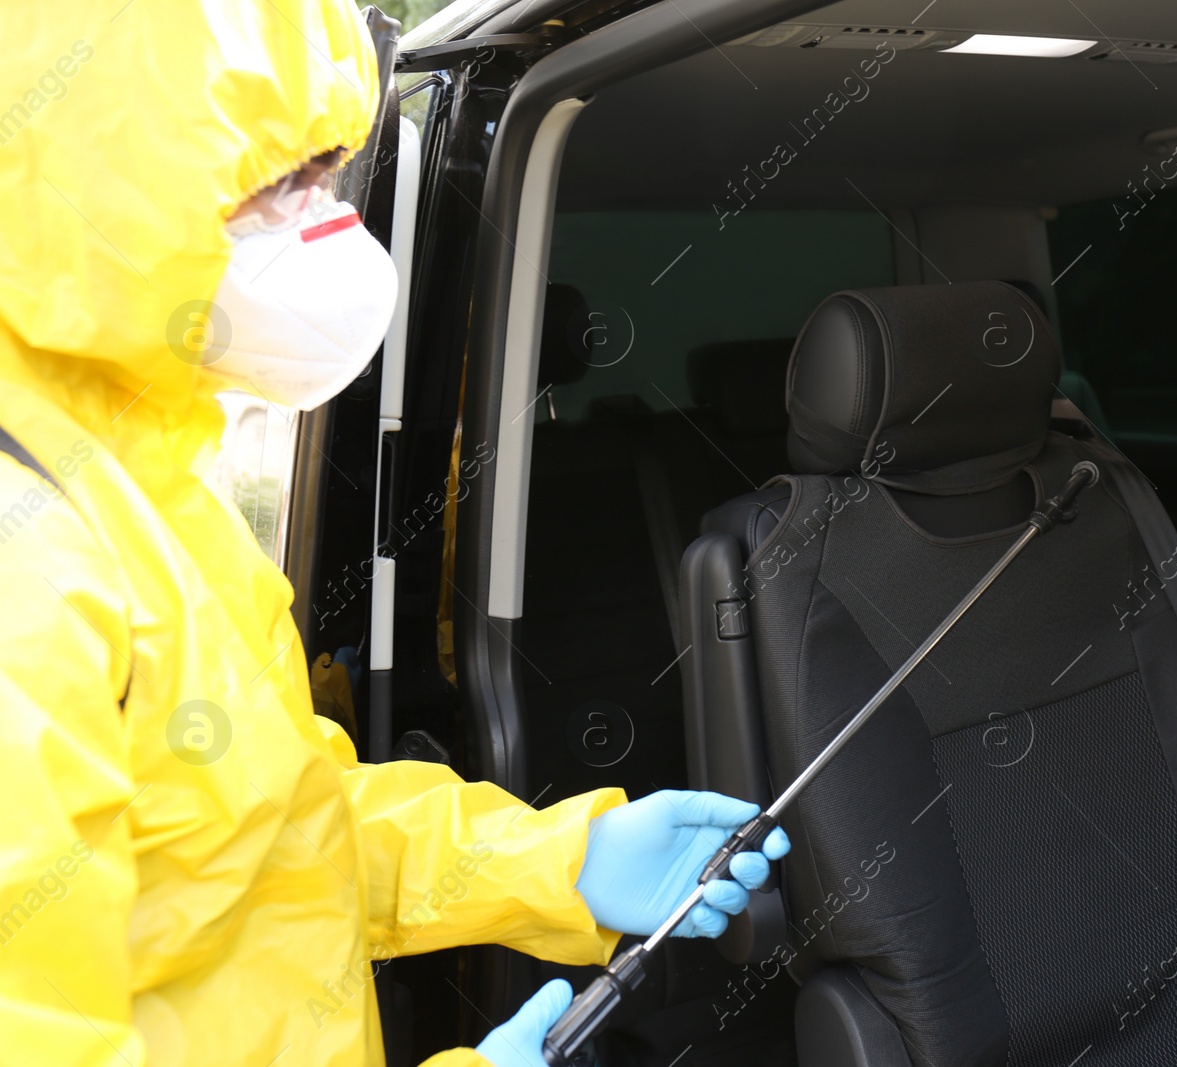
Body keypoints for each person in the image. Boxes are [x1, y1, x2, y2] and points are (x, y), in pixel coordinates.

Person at [0, 2, 787, 1064]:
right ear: (80, 188)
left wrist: (565, 857)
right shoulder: (30, 568)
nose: (332, 233)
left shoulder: (153, 496)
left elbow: (282, 845)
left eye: (327, 175)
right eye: (280, 187)